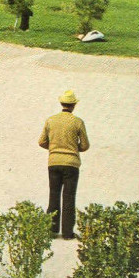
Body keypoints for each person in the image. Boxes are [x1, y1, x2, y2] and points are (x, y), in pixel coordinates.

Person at [38, 90, 90, 239]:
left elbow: (41, 141)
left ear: (61, 103)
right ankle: (67, 233)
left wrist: (54, 149)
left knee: (53, 195)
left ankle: (52, 230)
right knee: (69, 197)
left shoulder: (51, 120)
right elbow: (85, 145)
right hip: (71, 164)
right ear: (73, 105)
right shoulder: (78, 122)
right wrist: (73, 148)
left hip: (54, 162)